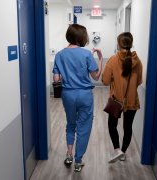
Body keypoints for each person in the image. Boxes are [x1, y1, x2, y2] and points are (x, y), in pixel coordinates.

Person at [52, 24, 103, 172]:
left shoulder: (60, 55)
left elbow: (56, 79)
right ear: (82, 37)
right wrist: (100, 59)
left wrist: (67, 74)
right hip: (84, 95)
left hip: (68, 94)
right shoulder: (87, 54)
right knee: (84, 127)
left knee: (71, 124)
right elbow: (96, 76)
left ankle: (68, 154)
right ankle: (78, 160)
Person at [102, 32, 143, 163]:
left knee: (112, 125)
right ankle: (123, 153)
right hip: (132, 100)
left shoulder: (113, 60)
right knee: (128, 127)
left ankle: (117, 149)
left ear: (119, 44)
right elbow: (139, 81)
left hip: (116, 100)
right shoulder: (138, 61)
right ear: (130, 44)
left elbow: (105, 81)